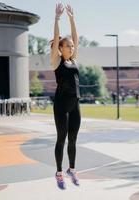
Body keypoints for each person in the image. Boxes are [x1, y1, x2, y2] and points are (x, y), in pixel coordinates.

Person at [50, 3, 81, 190]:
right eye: (68, 45)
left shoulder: (73, 59)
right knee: (61, 138)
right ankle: (59, 173)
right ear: (61, 48)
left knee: (73, 139)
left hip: (75, 104)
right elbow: (56, 38)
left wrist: (72, 18)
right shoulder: (56, 60)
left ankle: (72, 170)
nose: (71, 46)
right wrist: (57, 18)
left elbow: (76, 39)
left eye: (71, 45)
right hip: (61, 105)